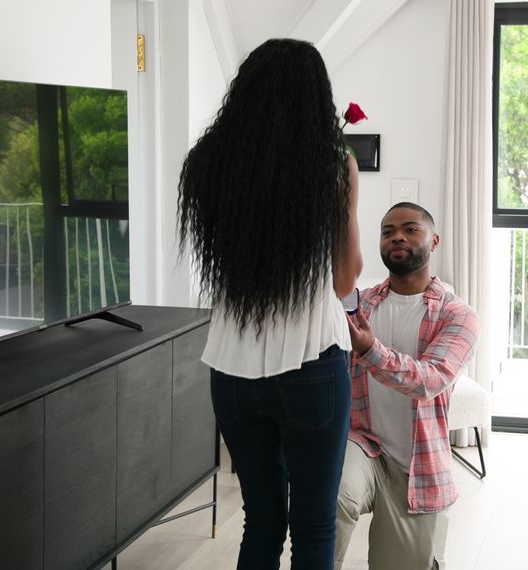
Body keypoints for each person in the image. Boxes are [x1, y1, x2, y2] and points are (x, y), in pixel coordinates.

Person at [177, 38, 362, 570]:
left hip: (232, 373)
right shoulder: (331, 166)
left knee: (260, 522)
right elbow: (344, 278)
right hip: (311, 369)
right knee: (313, 526)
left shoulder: (207, 166)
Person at [336, 202, 480, 570]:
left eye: (410, 228)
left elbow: (430, 380)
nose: (397, 236)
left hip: (417, 467)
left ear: (434, 241)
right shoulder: (359, 305)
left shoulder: (458, 316)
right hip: (362, 444)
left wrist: (370, 349)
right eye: (387, 231)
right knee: (328, 501)